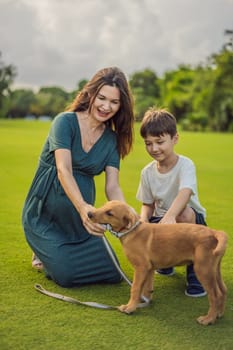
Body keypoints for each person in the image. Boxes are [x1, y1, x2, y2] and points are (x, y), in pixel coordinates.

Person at [22, 66, 134, 287]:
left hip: (81, 222)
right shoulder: (65, 122)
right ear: (90, 94)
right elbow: (63, 170)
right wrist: (83, 207)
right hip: (44, 217)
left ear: (121, 106)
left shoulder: (112, 140)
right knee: (67, 275)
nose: (106, 106)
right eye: (102, 98)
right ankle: (43, 251)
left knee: (112, 273)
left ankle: (58, 255)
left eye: (114, 102)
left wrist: (130, 217)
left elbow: (113, 186)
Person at [136, 107, 207, 297]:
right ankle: (164, 262)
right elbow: (147, 204)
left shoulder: (185, 164)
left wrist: (170, 217)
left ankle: (196, 275)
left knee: (185, 214)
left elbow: (185, 192)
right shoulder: (147, 172)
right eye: (148, 143)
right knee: (146, 226)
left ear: (175, 138)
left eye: (160, 142)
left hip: (188, 219)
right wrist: (143, 220)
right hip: (162, 220)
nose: (154, 148)